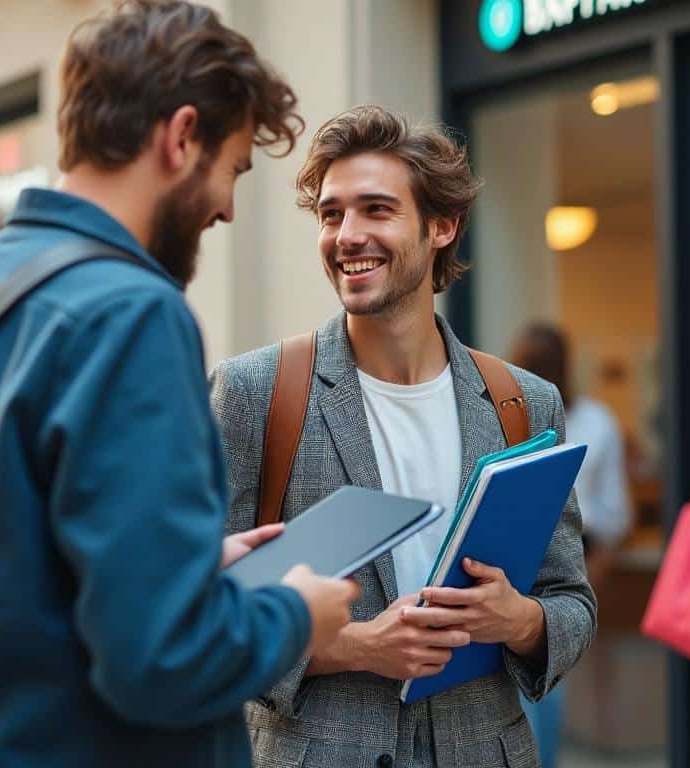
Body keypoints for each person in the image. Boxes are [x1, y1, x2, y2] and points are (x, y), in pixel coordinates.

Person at [0, 2, 360, 766]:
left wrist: (183, 568)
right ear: (181, 136)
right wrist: (296, 612)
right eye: (233, 171)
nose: (226, 207)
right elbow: (162, 661)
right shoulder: (131, 315)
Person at [210, 105, 596, 768]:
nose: (347, 235)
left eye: (376, 210)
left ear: (442, 226)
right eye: (332, 215)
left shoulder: (522, 402)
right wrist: (355, 647)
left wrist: (520, 621)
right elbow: (197, 618)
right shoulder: (258, 392)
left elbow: (572, 603)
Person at [511, 324, 633, 768]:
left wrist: (586, 586)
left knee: (541, 678)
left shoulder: (593, 422)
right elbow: (617, 513)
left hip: (571, 556)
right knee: (533, 681)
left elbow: (614, 515)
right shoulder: (506, 417)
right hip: (527, 556)